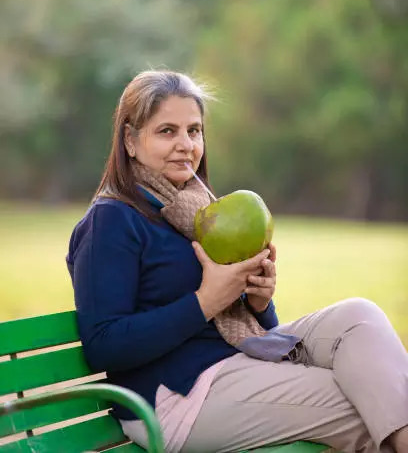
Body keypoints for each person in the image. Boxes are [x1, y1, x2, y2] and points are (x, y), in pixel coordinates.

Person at [66, 70, 408, 453]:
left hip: (235, 366)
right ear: (130, 140)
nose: (185, 144)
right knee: (368, 398)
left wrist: (258, 303)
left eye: (194, 131)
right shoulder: (112, 220)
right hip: (175, 398)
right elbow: (103, 345)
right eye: (167, 131)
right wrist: (205, 302)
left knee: (358, 320)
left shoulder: (198, 212)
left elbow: (247, 329)